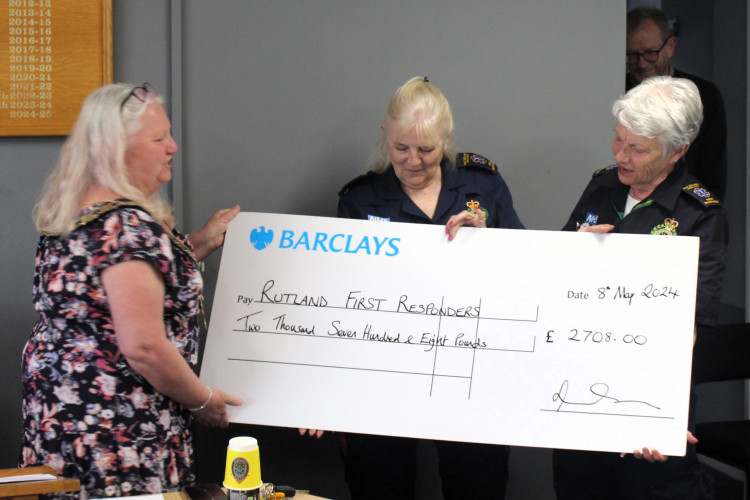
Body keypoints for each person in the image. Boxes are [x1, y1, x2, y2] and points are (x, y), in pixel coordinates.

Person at [20, 83, 243, 499]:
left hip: (65, 418)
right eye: (158, 138)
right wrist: (203, 400)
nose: (172, 146)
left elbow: (116, 290)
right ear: (114, 149)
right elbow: (144, 346)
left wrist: (198, 243)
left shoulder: (79, 212)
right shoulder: (127, 227)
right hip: (118, 430)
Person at [330, 76, 524, 500]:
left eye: (427, 149)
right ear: (385, 135)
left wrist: (488, 238)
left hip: (469, 370)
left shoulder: (483, 184)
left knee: (478, 484)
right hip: (385, 374)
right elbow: (343, 300)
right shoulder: (360, 200)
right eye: (401, 148)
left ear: (448, 139)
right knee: (380, 484)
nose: (413, 160)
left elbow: (523, 271)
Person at [552, 76, 728, 499]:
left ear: (678, 151)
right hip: (576, 392)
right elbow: (552, 276)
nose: (620, 157)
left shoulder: (699, 214)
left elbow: (688, 327)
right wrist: (566, 254)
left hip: (644, 401)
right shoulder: (602, 184)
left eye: (638, 148)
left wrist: (660, 412)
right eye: (618, 140)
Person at [626, 5, 727, 199]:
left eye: (650, 52)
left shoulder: (704, 96)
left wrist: (703, 215)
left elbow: (712, 172)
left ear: (670, 46)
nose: (642, 63)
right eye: (632, 55)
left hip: (686, 209)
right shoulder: (615, 90)